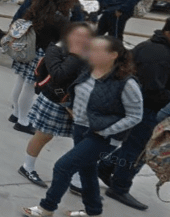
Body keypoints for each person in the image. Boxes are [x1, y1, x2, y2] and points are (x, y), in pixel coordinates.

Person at [23, 36, 143, 217]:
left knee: (63, 166)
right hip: (80, 129)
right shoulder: (88, 70)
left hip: (103, 136)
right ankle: (93, 211)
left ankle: (46, 208)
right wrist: (71, 110)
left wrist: (106, 131)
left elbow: (135, 115)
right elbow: (76, 93)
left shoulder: (127, 83)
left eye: (97, 50)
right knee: (87, 170)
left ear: (113, 55)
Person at [97, 18, 170, 211]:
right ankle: (119, 188)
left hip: (141, 107)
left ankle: (105, 167)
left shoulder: (156, 47)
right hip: (145, 109)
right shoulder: (159, 55)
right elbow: (152, 92)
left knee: (133, 147)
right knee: (138, 151)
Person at [18, 22, 93, 189]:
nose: (82, 40)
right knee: (44, 135)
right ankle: (27, 167)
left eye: (86, 36)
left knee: (81, 142)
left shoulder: (89, 53)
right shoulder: (55, 49)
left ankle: (76, 180)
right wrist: (74, 55)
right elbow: (59, 75)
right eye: (78, 36)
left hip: (78, 104)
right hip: (55, 99)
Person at [10, 0, 75, 135]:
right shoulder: (59, 19)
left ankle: (16, 114)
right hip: (41, 55)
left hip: (27, 49)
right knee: (29, 88)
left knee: (20, 82)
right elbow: (66, 39)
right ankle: (23, 121)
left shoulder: (34, 11)